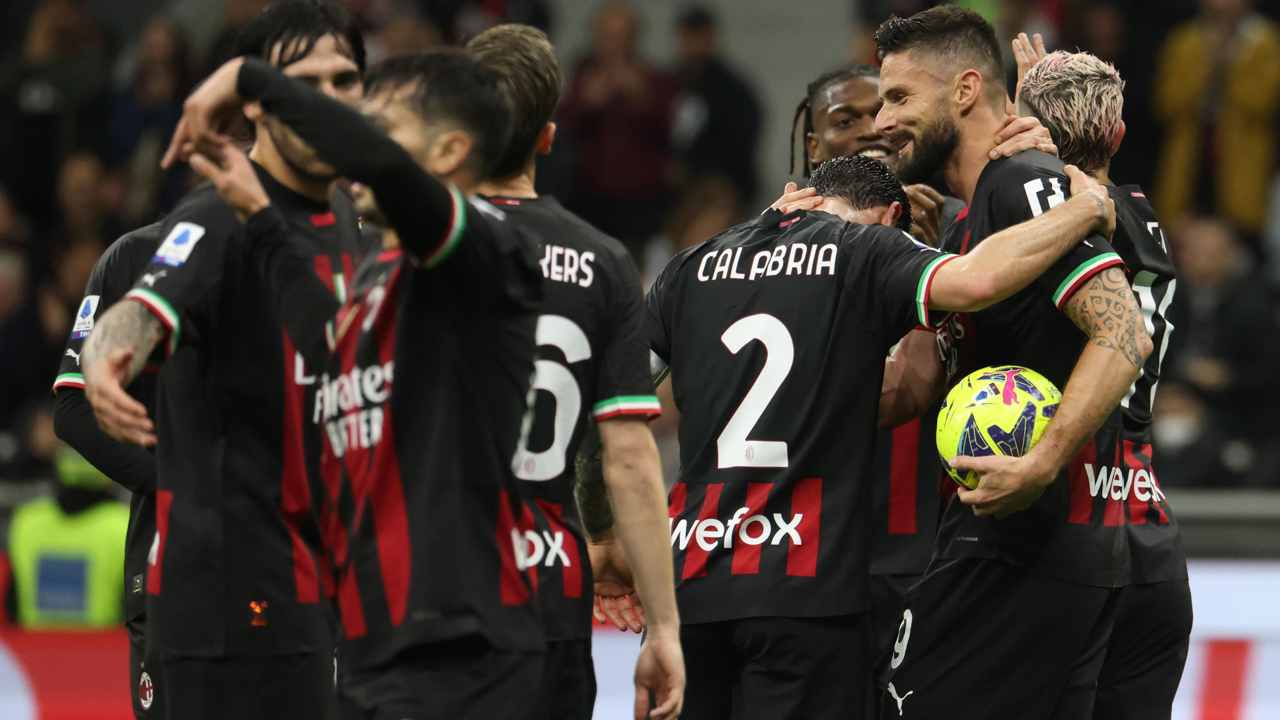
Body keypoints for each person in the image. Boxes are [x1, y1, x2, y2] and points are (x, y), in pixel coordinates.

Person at [163, 49, 686, 719]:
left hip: (462, 644)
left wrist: (248, 80)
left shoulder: (479, 254)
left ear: (448, 153)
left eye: (382, 127)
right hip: (374, 639)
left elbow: (380, 166)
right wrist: (261, 216)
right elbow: (329, 349)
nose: (356, 146)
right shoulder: (386, 274)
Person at [647, 151, 1114, 719]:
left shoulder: (691, 263)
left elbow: (614, 399)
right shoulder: (863, 249)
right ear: (892, 215)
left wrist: (603, 536)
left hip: (687, 587)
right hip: (804, 590)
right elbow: (981, 278)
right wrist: (1084, 208)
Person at [79, 2, 368, 717]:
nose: (327, 99)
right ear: (256, 106)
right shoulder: (214, 217)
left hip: (331, 588)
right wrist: (104, 357)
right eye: (305, 81)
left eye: (344, 80)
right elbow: (142, 312)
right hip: (234, 601)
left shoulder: (356, 220)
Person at [871, 8, 1156, 717]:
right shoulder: (976, 211)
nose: (881, 121)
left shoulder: (1020, 180)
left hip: (1033, 540)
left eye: (899, 98)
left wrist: (1042, 459)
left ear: (966, 90)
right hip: (1025, 540)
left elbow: (1125, 332)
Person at [789, 59, 1057, 679]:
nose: (870, 129)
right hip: (810, 545)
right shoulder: (774, 249)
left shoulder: (973, 234)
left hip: (928, 544)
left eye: (883, 109)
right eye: (845, 119)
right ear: (811, 144)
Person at [467, 23, 685, 720]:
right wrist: (665, 626)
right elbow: (629, 459)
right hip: (546, 587)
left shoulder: (412, 251)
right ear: (549, 136)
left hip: (430, 587)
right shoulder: (602, 261)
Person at [1019, 47, 1192, 720]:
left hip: (1069, 524)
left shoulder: (1050, 214)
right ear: (1118, 137)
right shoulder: (1144, 213)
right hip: (1149, 516)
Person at [51, 221, 164, 719]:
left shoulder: (338, 240)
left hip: (296, 568)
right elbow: (73, 410)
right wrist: (184, 485)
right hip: (172, 562)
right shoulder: (138, 255)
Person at [557, 0, 678, 258]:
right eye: (606, 35)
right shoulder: (579, 76)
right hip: (586, 196)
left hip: (640, 200)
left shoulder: (655, 79)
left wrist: (642, 99)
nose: (613, 43)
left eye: (620, 36)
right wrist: (586, 102)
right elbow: (558, 128)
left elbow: (672, 132)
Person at [1153, 0, 1280, 238]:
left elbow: (1264, 102)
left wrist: (1231, 65)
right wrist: (1208, 62)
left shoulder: (1265, 41)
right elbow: (1167, 101)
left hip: (1242, 161)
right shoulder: (1186, 40)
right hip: (1192, 157)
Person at [7, 446, 128, 629]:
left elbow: (11, 604)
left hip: (32, 651)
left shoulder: (26, 520)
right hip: (102, 651)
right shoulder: (122, 523)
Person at [670, 5, 762, 208]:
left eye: (698, 37)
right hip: (676, 188)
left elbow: (743, 140)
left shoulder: (733, 90)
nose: (692, 45)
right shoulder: (669, 83)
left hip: (723, 183)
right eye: (687, 37)